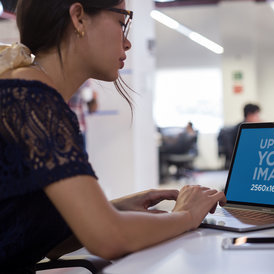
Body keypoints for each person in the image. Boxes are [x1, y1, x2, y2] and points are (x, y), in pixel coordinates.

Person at [0, 0, 226, 271]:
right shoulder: (32, 99)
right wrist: (187, 215)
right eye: (122, 22)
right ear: (79, 18)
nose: (128, 43)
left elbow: (42, 239)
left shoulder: (28, 92)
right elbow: (108, 239)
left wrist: (115, 210)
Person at [218, 103, 261, 169]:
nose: (258, 118)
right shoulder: (242, 129)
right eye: (257, 115)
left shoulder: (248, 127)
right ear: (250, 115)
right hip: (240, 158)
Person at [68, 79, 98, 150]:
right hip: (68, 128)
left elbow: (92, 108)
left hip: (78, 128)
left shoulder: (85, 81)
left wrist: (92, 98)